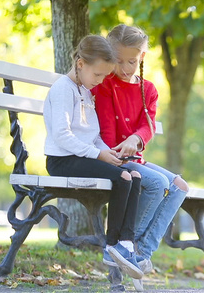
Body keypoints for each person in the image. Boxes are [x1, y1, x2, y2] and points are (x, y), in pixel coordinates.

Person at [43, 34, 143, 280]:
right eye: (97, 75)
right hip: (62, 160)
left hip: (84, 157)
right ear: (80, 64)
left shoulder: (85, 91)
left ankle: (126, 245)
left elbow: (93, 135)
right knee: (123, 177)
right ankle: (111, 248)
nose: (99, 81)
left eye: (103, 76)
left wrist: (107, 152)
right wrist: (98, 154)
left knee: (135, 175)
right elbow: (62, 135)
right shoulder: (63, 89)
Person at [93, 24, 189, 274]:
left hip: (134, 158)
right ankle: (122, 249)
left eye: (131, 62)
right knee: (158, 183)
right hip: (113, 158)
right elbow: (106, 133)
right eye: (118, 61)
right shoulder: (105, 86)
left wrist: (136, 139)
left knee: (180, 186)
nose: (125, 69)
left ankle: (140, 252)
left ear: (142, 57)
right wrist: (121, 148)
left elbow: (147, 127)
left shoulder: (149, 90)